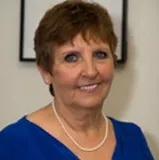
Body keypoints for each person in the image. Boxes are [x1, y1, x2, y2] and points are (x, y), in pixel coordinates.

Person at [0, 0, 154, 159]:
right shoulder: (13, 143)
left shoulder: (133, 138)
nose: (90, 71)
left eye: (100, 55)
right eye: (71, 57)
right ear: (46, 72)